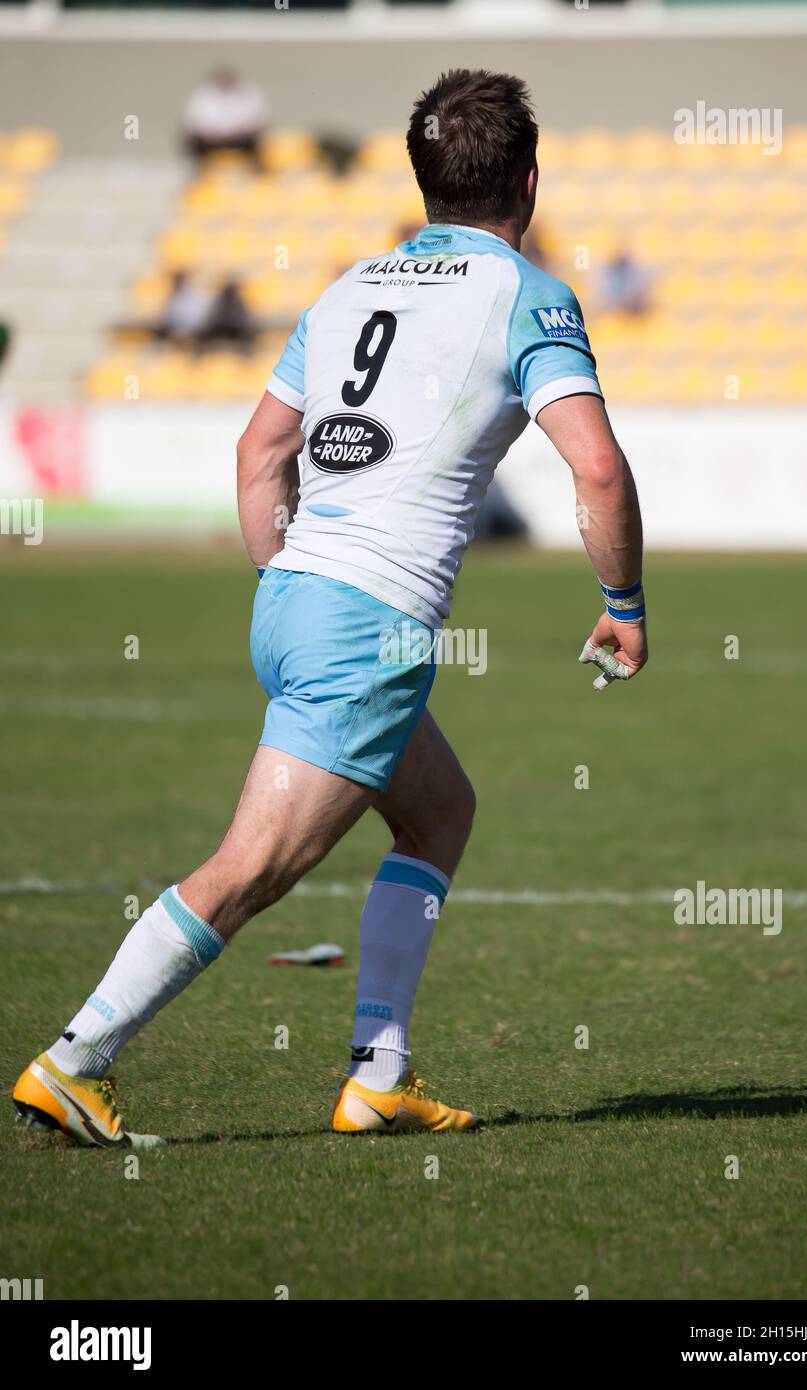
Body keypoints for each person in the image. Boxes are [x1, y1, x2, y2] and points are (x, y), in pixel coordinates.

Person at [13, 69, 647, 1146]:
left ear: (423, 179)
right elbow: (596, 469)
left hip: (294, 595)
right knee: (248, 869)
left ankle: (377, 1072)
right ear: (528, 181)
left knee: (439, 810)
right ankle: (74, 1058)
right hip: (367, 625)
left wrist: (286, 583)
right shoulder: (528, 294)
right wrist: (621, 602)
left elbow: (261, 449)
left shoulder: (350, 284)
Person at [182, 68, 267, 164]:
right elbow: (192, 122)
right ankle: (200, 170)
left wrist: (239, 132)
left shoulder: (249, 92)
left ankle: (255, 170)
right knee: (191, 143)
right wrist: (211, 134)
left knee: (259, 141)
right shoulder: (202, 95)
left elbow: (259, 120)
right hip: (211, 141)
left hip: (241, 139)